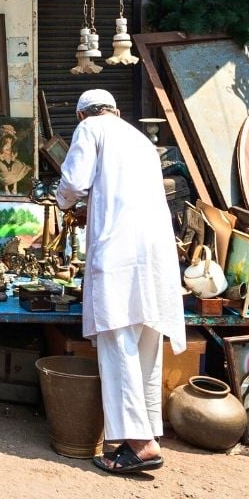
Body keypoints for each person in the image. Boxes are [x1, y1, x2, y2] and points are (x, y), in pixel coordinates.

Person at [55, 89, 185, 475]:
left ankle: (140, 445)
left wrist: (63, 202)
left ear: (82, 115)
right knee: (146, 346)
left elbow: (74, 182)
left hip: (119, 255)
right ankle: (136, 438)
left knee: (117, 345)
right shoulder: (139, 139)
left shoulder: (90, 129)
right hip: (156, 257)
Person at [0, 123, 31, 193]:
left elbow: (14, 156)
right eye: (7, 138)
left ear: (12, 140)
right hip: (2, 160)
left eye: (10, 138)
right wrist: (6, 163)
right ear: (4, 139)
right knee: (5, 170)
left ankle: (14, 188)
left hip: (11, 160)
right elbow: (0, 156)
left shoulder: (13, 148)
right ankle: (6, 188)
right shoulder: (0, 147)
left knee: (16, 168)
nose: (9, 140)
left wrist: (11, 162)